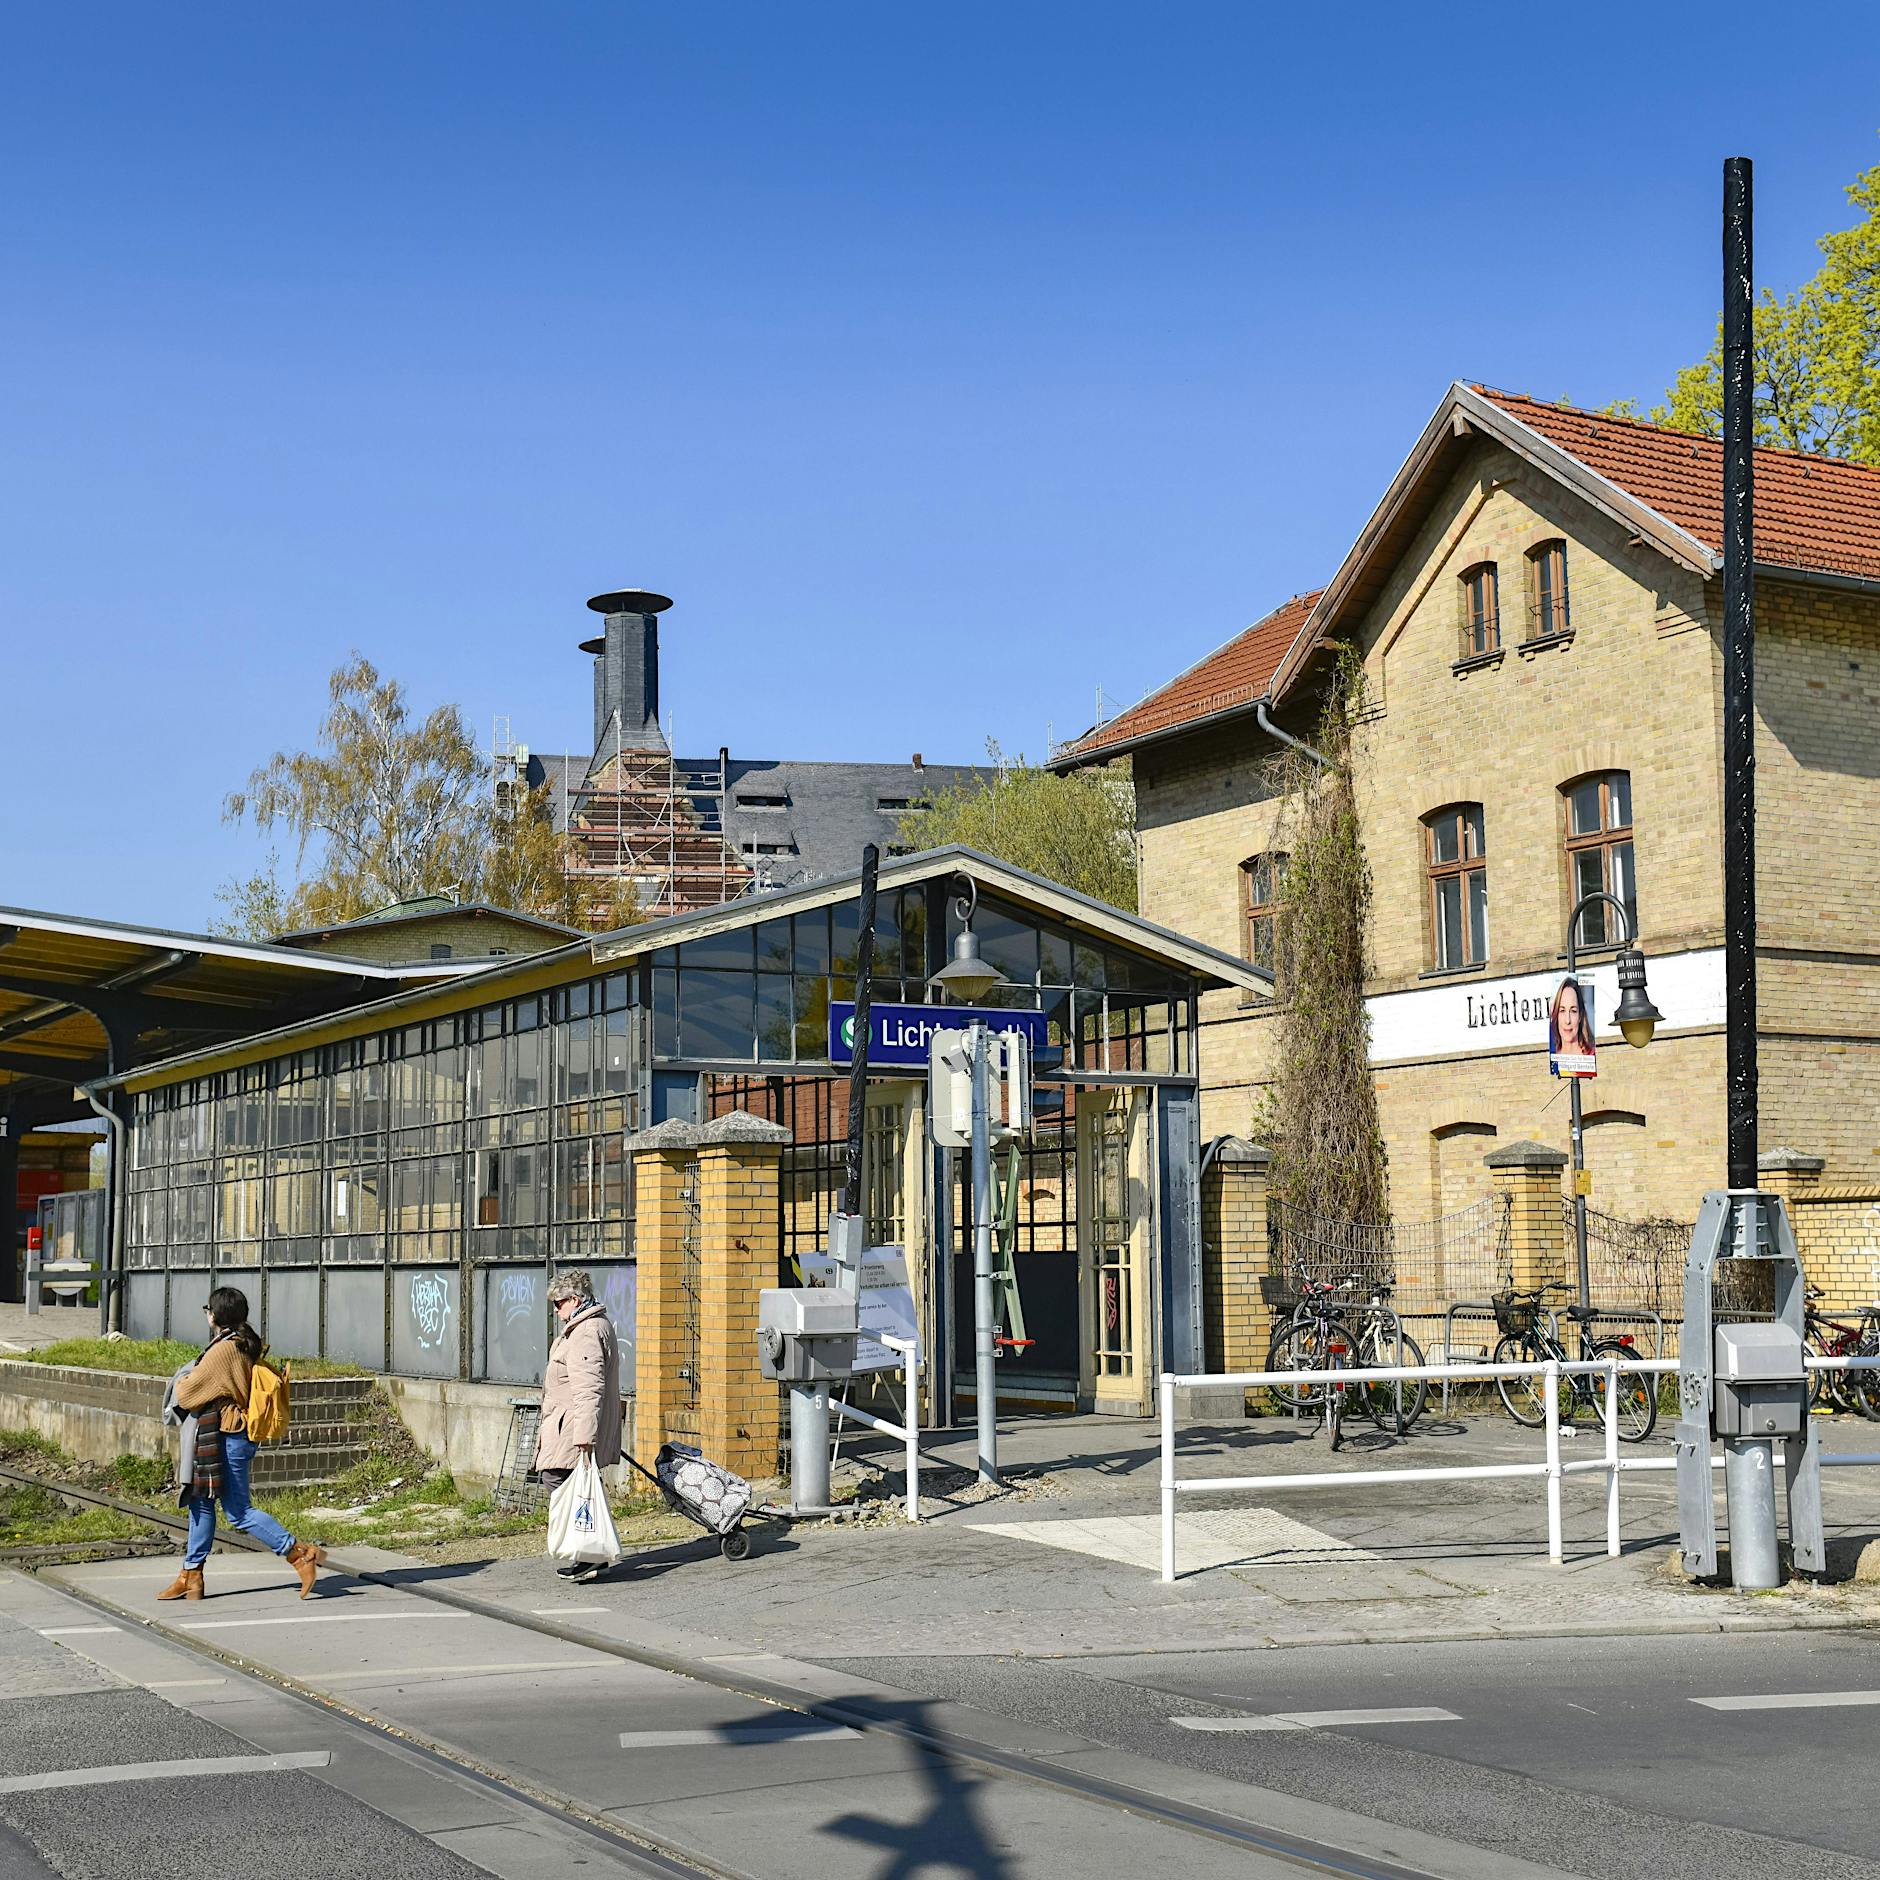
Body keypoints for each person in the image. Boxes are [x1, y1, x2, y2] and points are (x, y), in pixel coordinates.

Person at [156, 1286, 325, 1603]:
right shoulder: (240, 1343)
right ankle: (190, 1575)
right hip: (224, 1434)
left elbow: (188, 1393)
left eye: (209, 1309)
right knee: (201, 1502)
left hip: (229, 1435)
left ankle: (299, 1553)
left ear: (215, 1316)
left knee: (238, 1512)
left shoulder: (223, 1351)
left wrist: (182, 1377)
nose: (207, 1314)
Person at [535, 1269, 623, 1584]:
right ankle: (588, 1551)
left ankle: (588, 1552)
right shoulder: (582, 1327)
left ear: (574, 1299)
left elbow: (589, 1388)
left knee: (558, 1479)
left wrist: (585, 1436)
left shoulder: (586, 1331)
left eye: (558, 1304)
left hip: (573, 1426)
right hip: (568, 1423)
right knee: (570, 1483)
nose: (556, 1312)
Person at [1549, 978, 1595, 1072]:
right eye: (1562, 1010)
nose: (1567, 1020)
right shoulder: (1553, 1060)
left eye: (1573, 1011)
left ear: (1580, 1016)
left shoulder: (1591, 1057)